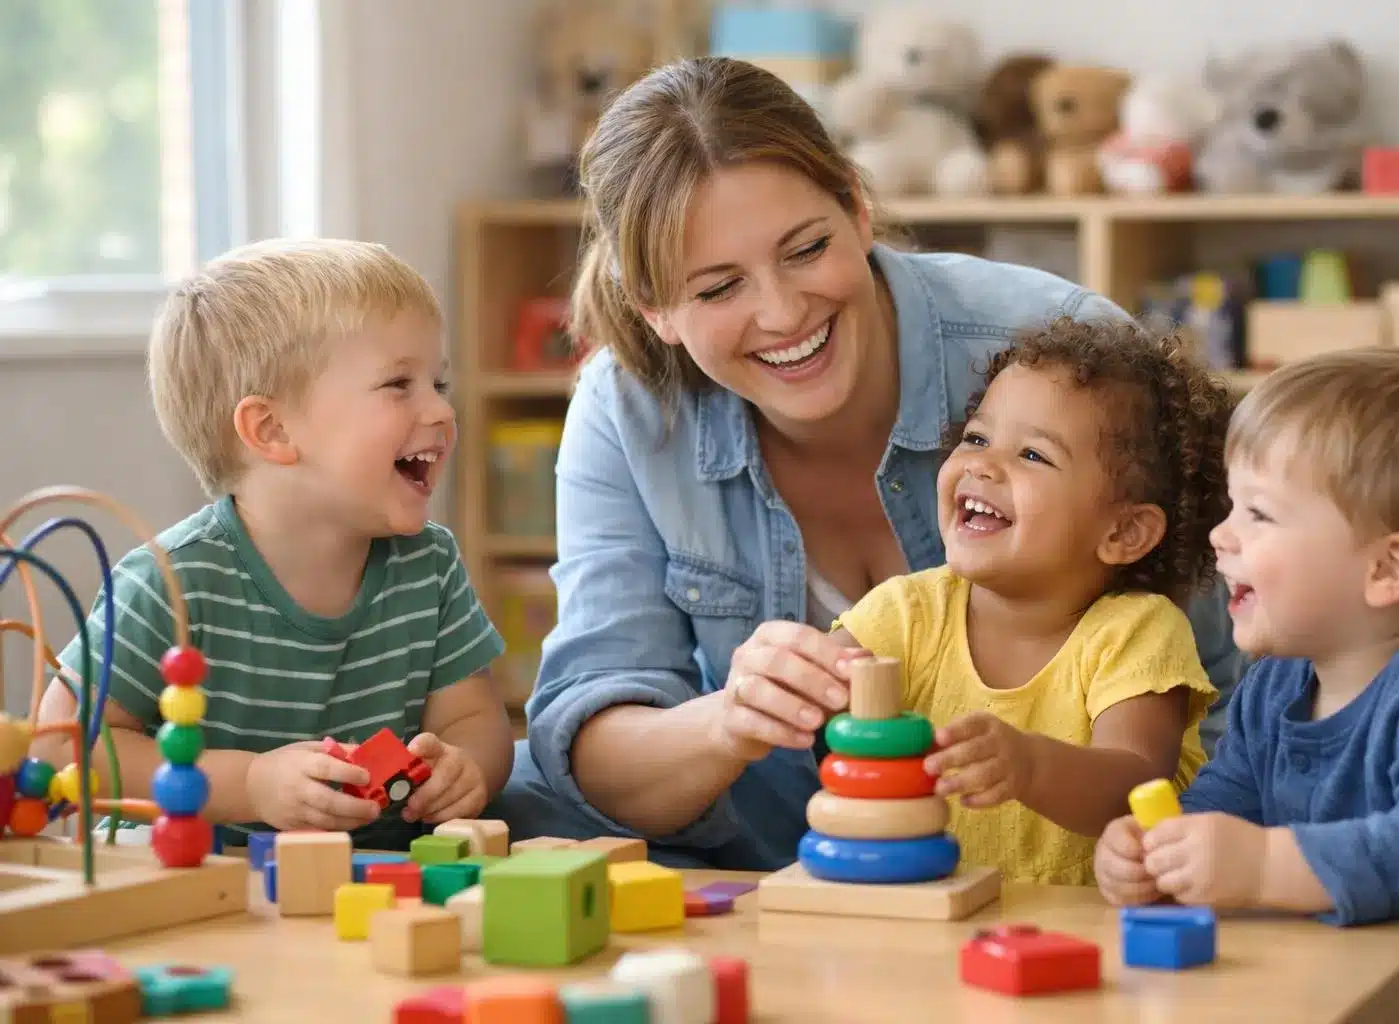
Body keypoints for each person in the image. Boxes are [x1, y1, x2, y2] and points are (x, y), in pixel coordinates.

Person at [502, 55, 1244, 870]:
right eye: (717, 290)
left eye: (806, 248)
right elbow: (590, 746)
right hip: (760, 886)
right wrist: (729, 720)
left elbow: (1224, 701)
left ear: (857, 207)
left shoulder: (1061, 357)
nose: (783, 314)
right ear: (657, 311)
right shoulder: (628, 407)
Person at [1094, 348, 1399, 1024]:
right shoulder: (1275, 682)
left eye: (1259, 515)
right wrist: (1160, 852)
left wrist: (1264, 866)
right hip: (1325, 985)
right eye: (1231, 506)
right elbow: (1224, 807)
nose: (1221, 535)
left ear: (1388, 569)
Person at [32, 238, 514, 852]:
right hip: (191, 891)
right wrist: (251, 784)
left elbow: (475, 721)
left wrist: (465, 766)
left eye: (437, 381)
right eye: (400, 384)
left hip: (370, 894)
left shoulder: (430, 566)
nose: (442, 409)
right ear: (273, 430)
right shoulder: (172, 582)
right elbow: (61, 743)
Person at [829, 318, 1229, 884]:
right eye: (976, 438)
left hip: (1090, 938)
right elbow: (814, 688)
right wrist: (784, 676)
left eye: (1034, 455)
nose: (982, 465)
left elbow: (1136, 787)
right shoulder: (906, 612)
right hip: (932, 924)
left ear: (1124, 533)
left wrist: (1030, 765)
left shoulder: (1137, 632)